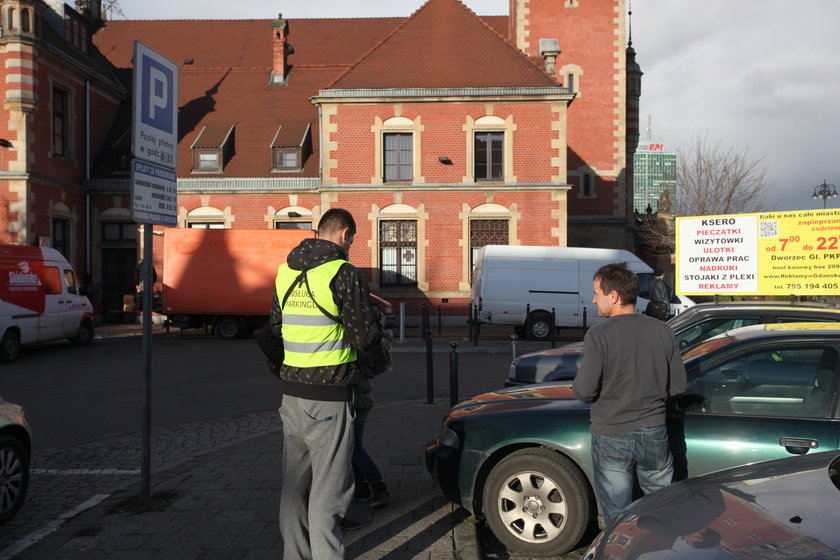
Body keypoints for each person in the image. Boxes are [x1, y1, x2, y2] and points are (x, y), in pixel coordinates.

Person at [260, 208, 382, 560]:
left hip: (292, 396)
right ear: (344, 234)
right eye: (353, 240)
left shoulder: (285, 271)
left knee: (294, 489)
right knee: (329, 494)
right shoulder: (344, 273)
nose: (351, 246)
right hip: (329, 397)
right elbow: (365, 337)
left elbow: (275, 330)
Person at [572, 262, 687, 527]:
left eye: (596, 293)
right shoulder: (664, 331)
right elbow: (679, 386)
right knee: (661, 511)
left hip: (611, 433)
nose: (593, 299)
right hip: (654, 431)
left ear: (613, 296)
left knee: (618, 517)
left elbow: (585, 391)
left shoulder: (598, 334)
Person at [351, 326, 393, 508]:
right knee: (351, 445)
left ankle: (378, 486)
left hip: (356, 397)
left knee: (353, 446)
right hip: (358, 396)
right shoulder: (372, 337)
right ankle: (361, 487)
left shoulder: (364, 342)